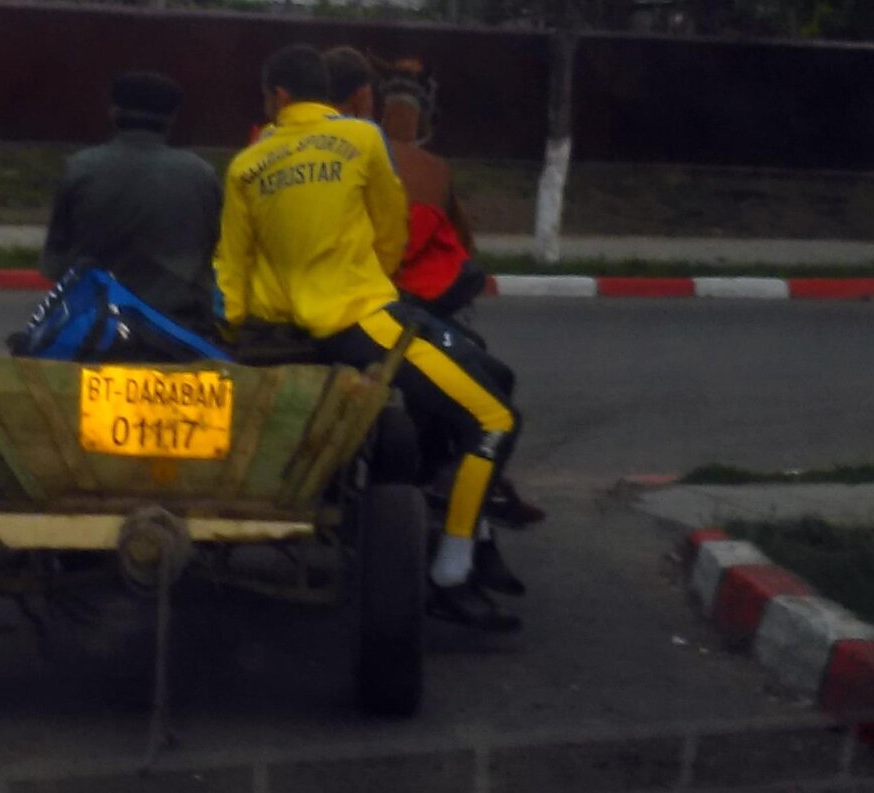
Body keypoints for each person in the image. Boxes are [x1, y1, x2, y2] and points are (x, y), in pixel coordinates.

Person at [214, 43, 521, 630]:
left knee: (489, 383)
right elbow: (392, 229)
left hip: (281, 326)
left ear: (278, 96)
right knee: (495, 418)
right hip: (365, 318)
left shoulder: (248, 162)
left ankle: (473, 543)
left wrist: (236, 325)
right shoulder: (361, 140)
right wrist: (371, 281)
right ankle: (450, 573)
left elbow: (233, 265)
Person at [323, 47, 542, 598]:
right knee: (488, 399)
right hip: (382, 320)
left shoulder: (267, 154)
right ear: (361, 99)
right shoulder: (420, 166)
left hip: (298, 319)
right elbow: (458, 252)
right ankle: (470, 537)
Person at [40, 71, 221, 336]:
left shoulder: (81, 168)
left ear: (113, 113)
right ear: (171, 119)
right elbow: (214, 250)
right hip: (181, 328)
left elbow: (54, 263)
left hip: (95, 326)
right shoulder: (201, 174)